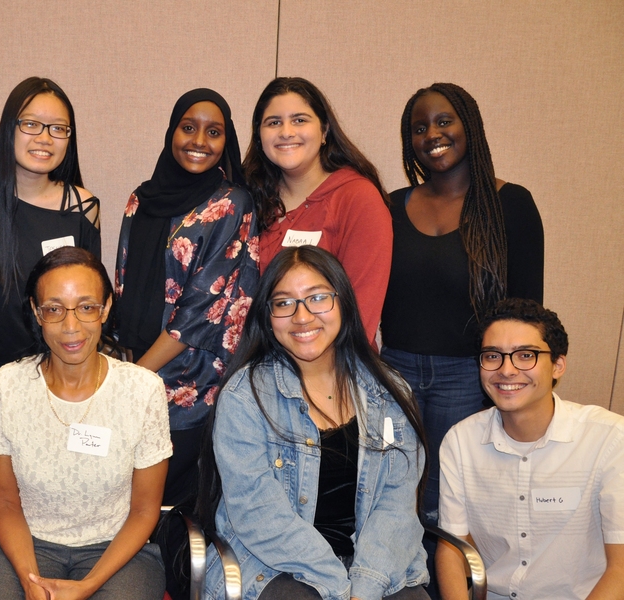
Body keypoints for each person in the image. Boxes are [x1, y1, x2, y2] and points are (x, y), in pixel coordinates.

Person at [200, 245, 429, 600]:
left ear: (343, 303)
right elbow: (258, 513)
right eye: (284, 302)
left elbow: (397, 506)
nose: (302, 316)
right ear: (268, 314)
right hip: (274, 565)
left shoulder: (389, 392)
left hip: (377, 561)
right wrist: (339, 587)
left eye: (318, 298)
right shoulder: (245, 396)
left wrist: (364, 585)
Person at [380, 83, 544, 542]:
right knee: (392, 498)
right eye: (418, 127)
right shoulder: (391, 206)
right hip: (394, 373)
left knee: (442, 504)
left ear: (469, 126)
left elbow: (530, 312)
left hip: (467, 378)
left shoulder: (511, 204)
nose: (432, 133)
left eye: (443, 120)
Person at [0, 77, 99, 541]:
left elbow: (86, 289)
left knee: (58, 484)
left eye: (58, 129)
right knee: (3, 489)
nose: (44, 138)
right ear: (9, 128)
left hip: (61, 368)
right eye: (32, 124)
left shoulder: (83, 207)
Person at [0, 247, 171, 600]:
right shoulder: (7, 385)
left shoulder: (142, 389)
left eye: (87, 307)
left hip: (117, 552)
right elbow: (4, 502)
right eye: (55, 309)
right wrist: (31, 581)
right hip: (27, 545)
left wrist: (88, 586)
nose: (71, 326)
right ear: (37, 312)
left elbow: (144, 509)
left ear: (106, 308)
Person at [114, 88, 258, 507]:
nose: (199, 141)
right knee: (124, 499)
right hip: (135, 370)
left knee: (166, 505)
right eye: (188, 127)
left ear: (226, 141)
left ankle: (172, 575)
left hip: (188, 384)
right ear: (171, 132)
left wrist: (133, 380)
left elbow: (202, 311)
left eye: (213, 132)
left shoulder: (232, 204)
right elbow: (124, 285)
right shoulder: (141, 199)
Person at [437, 298, 624, 600]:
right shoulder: (461, 442)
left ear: (558, 365)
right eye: (493, 356)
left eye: (526, 355)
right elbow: (452, 549)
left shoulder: (611, 439)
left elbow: (621, 569)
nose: (507, 370)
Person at [243, 77, 391, 348]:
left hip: (331, 374)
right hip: (253, 371)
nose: (286, 132)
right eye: (274, 122)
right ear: (259, 136)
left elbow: (361, 314)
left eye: (300, 120)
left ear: (324, 132)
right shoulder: (248, 199)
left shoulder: (357, 199)